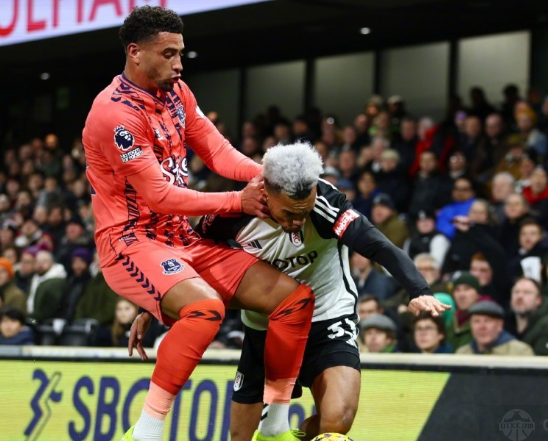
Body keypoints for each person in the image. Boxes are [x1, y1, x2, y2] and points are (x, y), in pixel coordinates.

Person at [83, 7, 316, 441]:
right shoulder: (113, 114)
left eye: (180, 53)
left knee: (295, 301)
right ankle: (146, 433)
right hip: (131, 243)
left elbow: (219, 151)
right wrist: (238, 200)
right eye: (168, 54)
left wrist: (272, 179)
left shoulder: (177, 93)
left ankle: (276, 426)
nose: (179, 64)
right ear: (135, 53)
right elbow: (157, 195)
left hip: (181, 238)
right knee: (204, 310)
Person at [186, 143, 447, 440]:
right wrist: (150, 306)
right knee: (241, 436)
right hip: (265, 326)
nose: (297, 221)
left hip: (327, 315)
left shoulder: (328, 203)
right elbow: (189, 256)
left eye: (304, 212)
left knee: (337, 422)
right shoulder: (235, 210)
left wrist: (419, 289)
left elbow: (378, 245)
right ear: (267, 193)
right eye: (288, 213)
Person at [504, 278, 548, 355]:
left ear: (538, 300)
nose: (520, 296)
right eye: (516, 292)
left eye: (527, 293)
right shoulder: (504, 322)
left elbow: (543, 360)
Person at [456, 301, 534, 356]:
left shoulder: (520, 352)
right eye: (476, 321)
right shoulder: (462, 354)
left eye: (488, 321)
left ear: (499, 325)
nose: (482, 327)